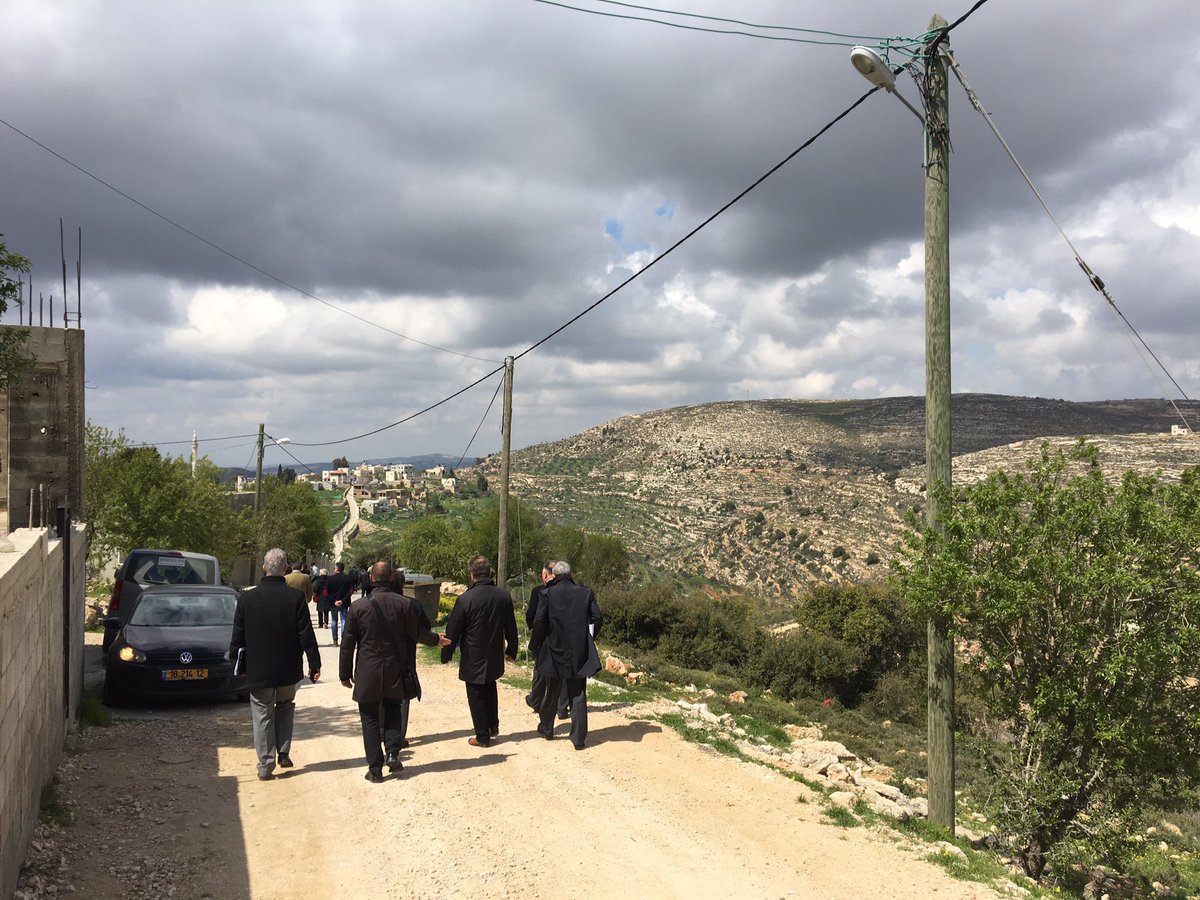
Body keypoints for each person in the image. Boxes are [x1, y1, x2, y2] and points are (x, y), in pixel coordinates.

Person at [340, 561, 449, 783]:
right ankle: (392, 753)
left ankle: (375, 769)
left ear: (371, 578)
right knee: (392, 710)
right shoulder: (404, 604)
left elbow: (348, 644)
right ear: (391, 578)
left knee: (370, 718)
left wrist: (345, 673)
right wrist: (436, 640)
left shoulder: (358, 607)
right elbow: (418, 633)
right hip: (394, 668)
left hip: (368, 671)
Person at [230, 548, 322, 780]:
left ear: (264, 568)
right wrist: (314, 663)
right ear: (285, 569)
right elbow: (305, 634)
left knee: (262, 714)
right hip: (287, 668)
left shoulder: (246, 599)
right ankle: (283, 752)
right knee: (285, 705)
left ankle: (265, 764)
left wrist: (235, 664)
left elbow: (238, 636)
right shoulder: (295, 598)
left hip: (258, 668)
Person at [442, 555, 518, 747]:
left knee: (475, 692)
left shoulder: (465, 599)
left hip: (473, 654)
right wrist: (512, 650)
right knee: (490, 686)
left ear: (472, 574)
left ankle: (482, 736)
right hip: (494, 651)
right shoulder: (503, 596)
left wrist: (446, 654)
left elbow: (453, 629)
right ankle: (493, 726)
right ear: (489, 573)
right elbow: (511, 627)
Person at [530, 560, 602, 750]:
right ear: (570, 574)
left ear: (554, 574)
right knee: (578, 693)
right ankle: (578, 738)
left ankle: (546, 728)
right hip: (578, 650)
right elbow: (597, 618)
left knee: (551, 690)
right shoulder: (585, 593)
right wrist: (588, 637)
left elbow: (539, 622)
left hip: (553, 648)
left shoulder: (547, 593)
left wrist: (535, 645)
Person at [525, 561, 568, 719]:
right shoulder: (568, 591)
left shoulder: (539, 591)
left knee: (541, 671)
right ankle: (561, 707)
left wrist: (533, 631)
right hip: (563, 638)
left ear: (545, 574)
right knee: (563, 673)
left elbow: (532, 616)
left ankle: (536, 701)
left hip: (544, 637)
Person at [325, 561, 354, 645]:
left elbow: (326, 592)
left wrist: (334, 601)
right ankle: (343, 639)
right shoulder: (348, 578)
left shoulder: (330, 579)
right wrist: (342, 600)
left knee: (334, 620)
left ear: (337, 568)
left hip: (333, 603)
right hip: (344, 603)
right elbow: (350, 591)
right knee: (344, 620)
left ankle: (335, 640)